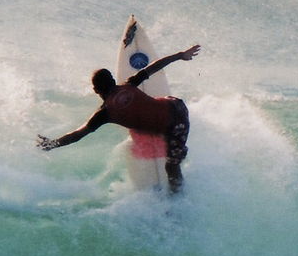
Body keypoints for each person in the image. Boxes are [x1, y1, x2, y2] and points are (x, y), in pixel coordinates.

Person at [37, 44, 201, 192]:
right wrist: (181, 55)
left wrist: (53, 144)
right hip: (175, 103)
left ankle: (177, 197)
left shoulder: (105, 113)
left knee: (172, 166)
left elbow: (78, 134)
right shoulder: (129, 84)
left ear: (95, 90)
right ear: (114, 81)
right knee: (146, 115)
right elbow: (155, 66)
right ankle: (156, 132)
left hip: (176, 123)